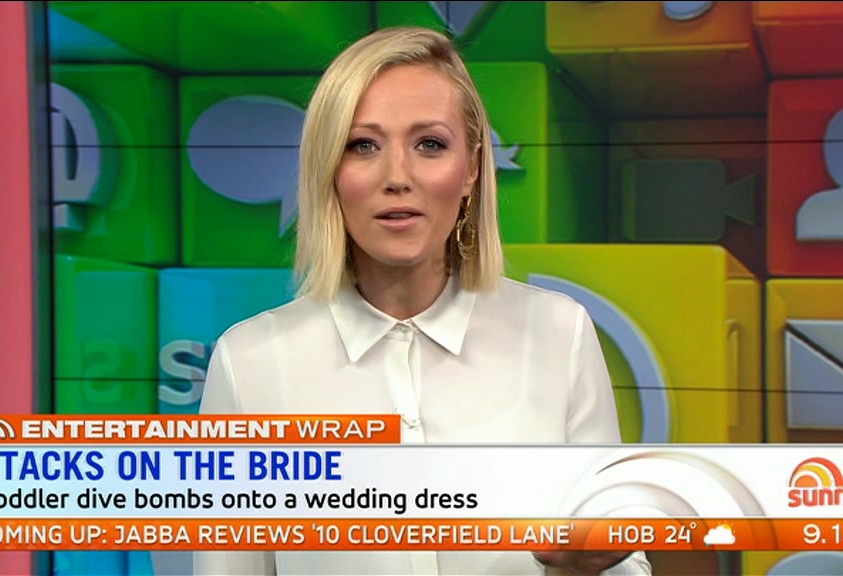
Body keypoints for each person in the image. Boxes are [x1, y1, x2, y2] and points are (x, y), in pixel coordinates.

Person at [197, 26, 652, 576]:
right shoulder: (249, 362)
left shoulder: (560, 333)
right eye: (363, 145)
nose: (398, 177)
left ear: (472, 168)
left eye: (430, 144)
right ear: (327, 169)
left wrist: (585, 567)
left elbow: (624, 561)